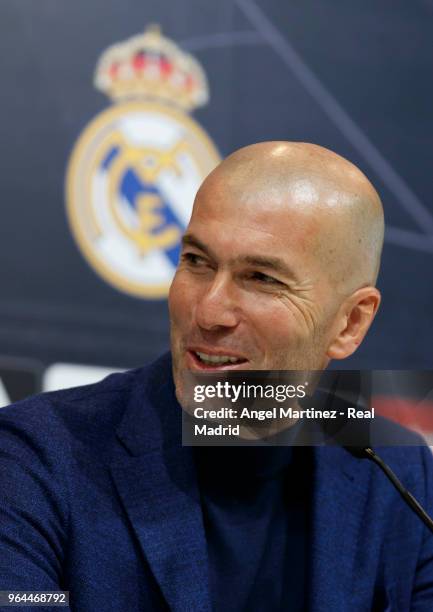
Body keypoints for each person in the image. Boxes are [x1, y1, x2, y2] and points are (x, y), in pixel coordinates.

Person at [0, 142, 432, 611]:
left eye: (262, 278)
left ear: (350, 323)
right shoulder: (34, 459)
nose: (207, 311)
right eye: (196, 262)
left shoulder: (399, 471)